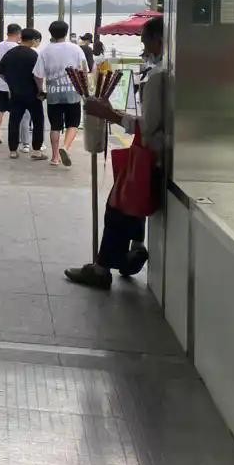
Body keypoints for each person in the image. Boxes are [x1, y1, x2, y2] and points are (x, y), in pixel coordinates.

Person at [65, 16, 166, 289]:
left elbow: (149, 126)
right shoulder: (169, 73)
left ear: (158, 41)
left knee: (118, 207)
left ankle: (101, 270)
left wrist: (109, 114)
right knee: (131, 205)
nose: (144, 49)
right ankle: (135, 248)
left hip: (152, 155)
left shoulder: (158, 77)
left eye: (145, 43)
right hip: (160, 157)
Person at [38, 20, 87, 167]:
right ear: (66, 32)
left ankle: (54, 158)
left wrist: (41, 90)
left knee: (55, 126)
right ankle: (65, 147)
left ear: (51, 33)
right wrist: (84, 89)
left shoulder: (45, 51)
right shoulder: (76, 49)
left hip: (53, 94)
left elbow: (38, 75)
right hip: (73, 92)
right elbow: (84, 70)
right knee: (73, 123)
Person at [0, 28, 47, 160]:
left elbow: (0, 71)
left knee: (14, 121)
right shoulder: (34, 55)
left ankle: (13, 150)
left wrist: (11, 83)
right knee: (38, 121)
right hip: (33, 94)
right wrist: (40, 90)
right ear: (33, 40)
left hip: (16, 93)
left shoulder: (10, 53)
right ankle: (36, 151)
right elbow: (38, 76)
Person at [0, 23, 22, 146]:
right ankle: (15, 137)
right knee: (16, 113)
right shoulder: (19, 48)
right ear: (18, 34)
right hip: (15, 86)